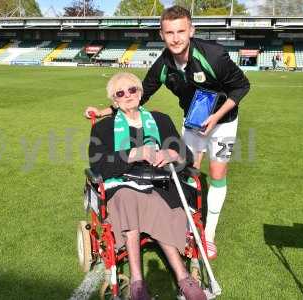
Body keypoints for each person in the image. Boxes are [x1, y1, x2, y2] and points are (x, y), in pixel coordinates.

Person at [85, 5, 250, 260]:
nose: (176, 38)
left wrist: (216, 117)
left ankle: (208, 235)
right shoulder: (163, 63)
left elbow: (241, 87)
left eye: (181, 31)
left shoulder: (214, 55)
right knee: (188, 169)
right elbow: (141, 92)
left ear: (191, 30)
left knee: (217, 173)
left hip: (224, 122)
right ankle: (184, 225)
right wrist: (106, 111)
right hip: (193, 122)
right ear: (162, 34)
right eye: (169, 32)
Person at [89, 72, 206, 300]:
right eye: (120, 93)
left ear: (140, 93)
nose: (128, 96)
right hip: (121, 185)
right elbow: (99, 164)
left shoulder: (160, 120)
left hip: (158, 184)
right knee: (128, 198)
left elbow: (186, 156)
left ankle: (183, 277)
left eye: (132, 90)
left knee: (156, 202)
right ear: (114, 101)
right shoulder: (103, 128)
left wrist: (172, 153)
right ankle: (137, 281)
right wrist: (133, 154)